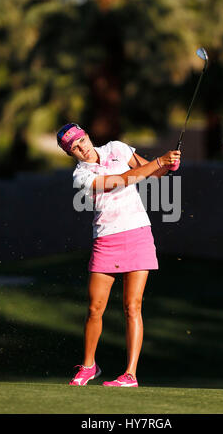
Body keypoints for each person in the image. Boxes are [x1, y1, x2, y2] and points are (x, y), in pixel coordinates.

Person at [56, 123, 181, 387]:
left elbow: (153, 174)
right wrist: (159, 160)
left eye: (83, 141)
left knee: (132, 307)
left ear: (88, 136)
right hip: (106, 239)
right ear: (70, 154)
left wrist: (168, 166)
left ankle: (130, 374)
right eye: (75, 148)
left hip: (138, 234)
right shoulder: (81, 177)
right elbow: (123, 180)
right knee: (94, 308)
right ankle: (89, 366)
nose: (82, 149)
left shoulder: (117, 148)